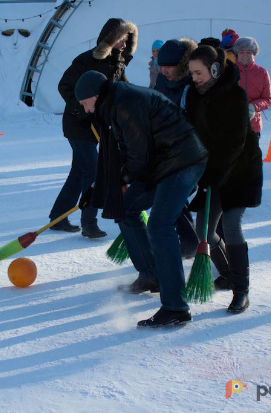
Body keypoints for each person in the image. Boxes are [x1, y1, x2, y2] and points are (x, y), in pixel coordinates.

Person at [74, 70, 207, 327]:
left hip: (183, 160)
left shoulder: (125, 102)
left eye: (85, 104)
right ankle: (150, 275)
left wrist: (119, 181)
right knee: (125, 208)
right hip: (162, 163)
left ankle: (176, 306)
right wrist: (99, 189)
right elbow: (123, 152)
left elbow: (138, 157)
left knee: (160, 225)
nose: (87, 111)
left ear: (95, 95)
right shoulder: (115, 102)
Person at [185, 45, 263, 314]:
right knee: (203, 232)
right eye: (191, 72)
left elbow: (234, 143)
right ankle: (228, 274)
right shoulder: (194, 95)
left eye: (198, 72)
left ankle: (242, 290)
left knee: (230, 226)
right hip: (212, 171)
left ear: (215, 69)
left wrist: (210, 176)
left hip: (240, 170)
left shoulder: (235, 95)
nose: (193, 78)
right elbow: (191, 132)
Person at [49, 18, 138, 238]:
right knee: (93, 170)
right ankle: (89, 222)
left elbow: (121, 88)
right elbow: (65, 86)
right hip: (78, 124)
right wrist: (83, 109)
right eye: (120, 40)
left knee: (79, 171)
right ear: (109, 39)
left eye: (126, 40)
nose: (123, 45)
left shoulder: (118, 62)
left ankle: (58, 216)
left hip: (99, 124)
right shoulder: (86, 60)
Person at [152, 37, 200, 262]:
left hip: (189, 152)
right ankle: (189, 241)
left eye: (169, 67)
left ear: (181, 65)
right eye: (161, 66)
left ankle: (191, 242)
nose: (165, 71)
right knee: (172, 197)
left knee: (173, 195)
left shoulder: (193, 84)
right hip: (166, 149)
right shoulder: (162, 81)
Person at [233, 37, 271, 140]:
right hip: (232, 124)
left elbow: (268, 99)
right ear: (237, 53)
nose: (245, 56)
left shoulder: (262, 73)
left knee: (252, 155)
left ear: (254, 53)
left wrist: (253, 107)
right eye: (242, 52)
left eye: (249, 52)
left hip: (253, 126)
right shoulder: (229, 71)